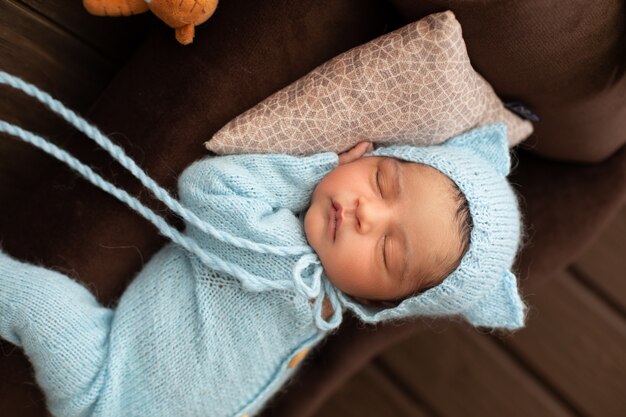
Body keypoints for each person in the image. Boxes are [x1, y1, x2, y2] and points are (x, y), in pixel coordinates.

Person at [0, 73, 525, 417]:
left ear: (382, 305)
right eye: (384, 181)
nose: (368, 213)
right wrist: (318, 170)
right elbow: (209, 191)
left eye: (387, 253)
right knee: (40, 304)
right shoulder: (283, 249)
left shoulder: (310, 290)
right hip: (105, 378)